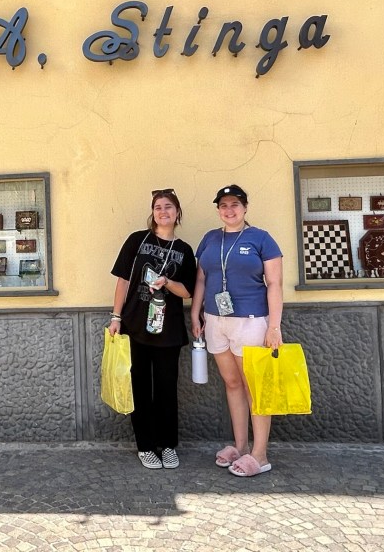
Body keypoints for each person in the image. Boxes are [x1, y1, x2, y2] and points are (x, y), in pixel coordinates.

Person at [190, 184, 283, 477]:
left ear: (245, 207)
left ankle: (260, 454)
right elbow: (202, 280)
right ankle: (241, 445)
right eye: (223, 205)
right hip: (215, 320)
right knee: (232, 384)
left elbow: (275, 285)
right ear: (218, 209)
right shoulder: (209, 239)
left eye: (235, 205)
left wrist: (274, 326)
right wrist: (195, 312)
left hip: (251, 320)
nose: (229, 210)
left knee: (255, 387)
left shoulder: (262, 239)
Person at [109, 188, 197, 470]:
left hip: (168, 330)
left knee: (166, 391)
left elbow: (188, 292)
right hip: (135, 325)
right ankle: (146, 446)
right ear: (153, 212)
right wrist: (116, 316)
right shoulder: (138, 240)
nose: (163, 211)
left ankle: (168, 445)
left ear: (177, 213)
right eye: (158, 207)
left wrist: (166, 282)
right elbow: (123, 280)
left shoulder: (184, 250)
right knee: (139, 388)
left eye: (169, 207)